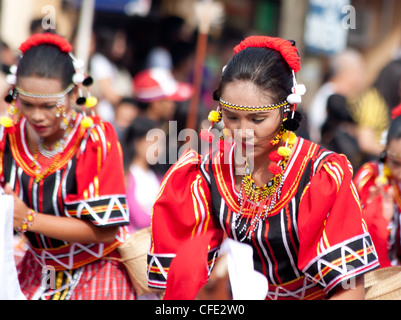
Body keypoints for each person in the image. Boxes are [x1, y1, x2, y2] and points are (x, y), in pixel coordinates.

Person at [147, 35, 379, 300]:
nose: (243, 132)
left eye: (258, 119)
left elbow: (348, 288)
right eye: (231, 117)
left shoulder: (319, 174)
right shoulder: (205, 174)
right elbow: (186, 282)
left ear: (288, 110)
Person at [0, 32, 134, 300]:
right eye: (27, 104)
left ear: (74, 95)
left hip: (95, 273)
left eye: (50, 106)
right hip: (34, 270)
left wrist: (29, 219)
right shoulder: (9, 136)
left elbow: (106, 231)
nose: (37, 116)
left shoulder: (93, 139)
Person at [353, 114, 401, 268]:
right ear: (385, 151)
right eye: (395, 163)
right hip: (380, 271)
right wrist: (372, 210)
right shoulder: (370, 178)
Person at [308, 49, 365, 143]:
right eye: (358, 74)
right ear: (346, 73)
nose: (360, 79)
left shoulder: (337, 95)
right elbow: (317, 131)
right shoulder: (329, 95)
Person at [122, 117, 162, 233]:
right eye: (152, 141)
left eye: (160, 143)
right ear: (137, 142)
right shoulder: (126, 176)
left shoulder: (158, 178)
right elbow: (139, 218)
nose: (157, 148)